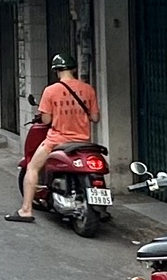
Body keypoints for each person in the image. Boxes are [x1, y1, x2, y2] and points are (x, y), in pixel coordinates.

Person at [7, 52, 99, 222]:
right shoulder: (88, 89)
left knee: (32, 168)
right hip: (82, 142)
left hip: (57, 141)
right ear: (74, 69)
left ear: (56, 71)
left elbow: (46, 120)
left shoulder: (50, 91)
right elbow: (95, 118)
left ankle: (26, 210)